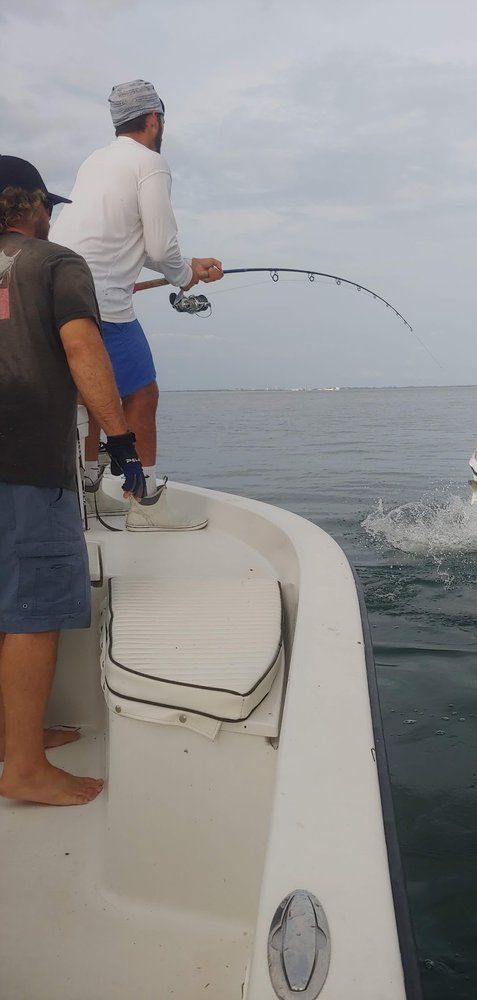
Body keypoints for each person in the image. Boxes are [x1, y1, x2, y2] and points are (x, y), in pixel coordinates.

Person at [0, 155, 145, 806]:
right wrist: (122, 443)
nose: (53, 217)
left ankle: (11, 738)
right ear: (28, 206)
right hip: (27, 463)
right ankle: (24, 769)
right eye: (48, 206)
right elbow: (85, 349)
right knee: (31, 609)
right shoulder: (56, 265)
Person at [50, 79, 223, 530]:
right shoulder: (151, 162)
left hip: (56, 290)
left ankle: (87, 494)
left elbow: (131, 240)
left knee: (89, 399)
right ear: (154, 119)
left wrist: (187, 266)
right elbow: (163, 246)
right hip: (101, 300)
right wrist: (184, 275)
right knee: (142, 395)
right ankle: (144, 507)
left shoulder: (95, 162)